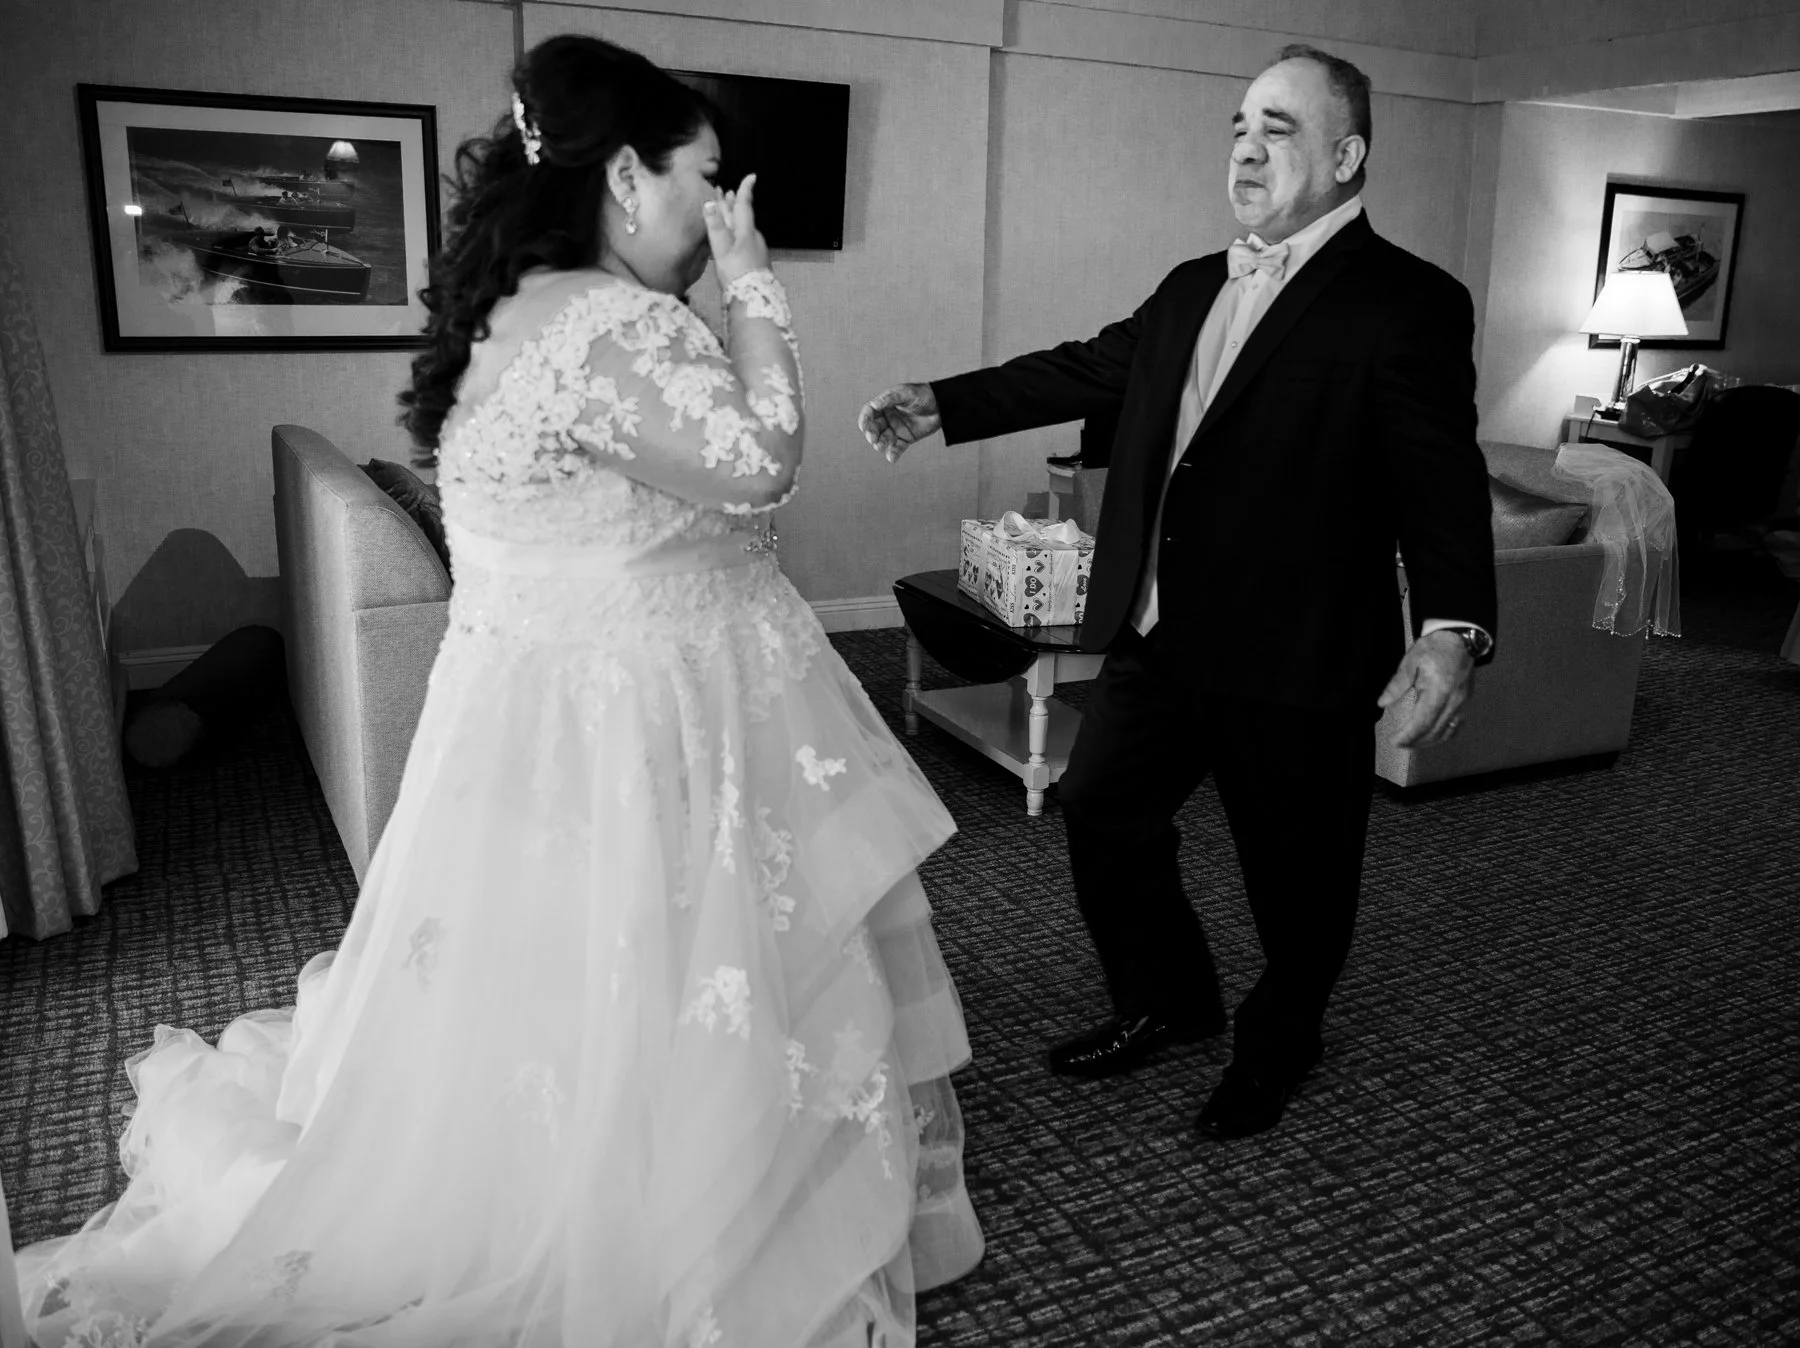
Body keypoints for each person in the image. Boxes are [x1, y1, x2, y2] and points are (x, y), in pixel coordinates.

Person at [19, 33, 982, 1346]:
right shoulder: (623, 321)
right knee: (678, 956)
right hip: (641, 709)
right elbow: (760, 465)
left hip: (541, 713)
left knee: (588, 970)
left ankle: (603, 1150)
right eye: (707, 178)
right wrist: (757, 291)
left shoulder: (509, 319)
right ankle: (671, 1196)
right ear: (626, 174)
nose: (719, 215)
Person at [860, 45, 1497, 1141]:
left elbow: (1441, 482)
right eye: (1240, 123)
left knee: (1297, 878)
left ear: (1348, 155)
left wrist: (1450, 631)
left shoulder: (1410, 303)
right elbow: (1084, 366)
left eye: (1280, 128)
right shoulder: (1194, 282)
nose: (1247, 145)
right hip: (1159, 634)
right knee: (1103, 804)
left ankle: (1279, 1038)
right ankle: (1170, 996)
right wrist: (943, 402)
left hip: (1297, 653)